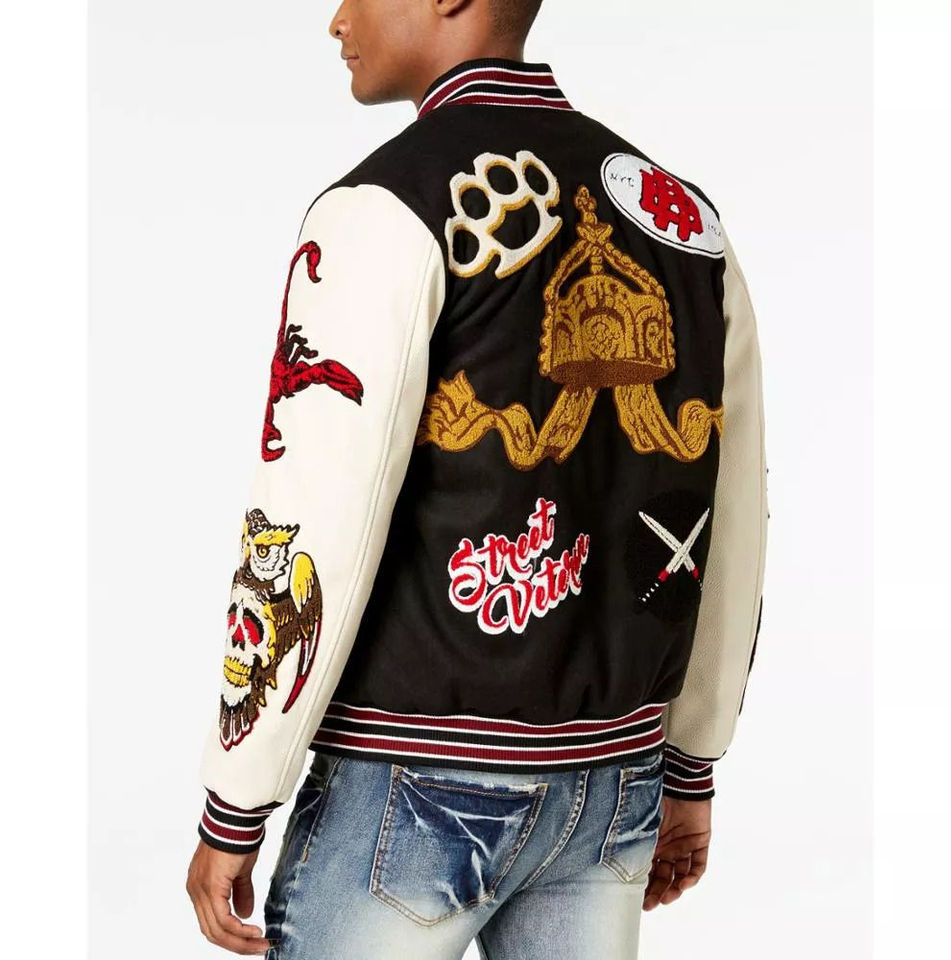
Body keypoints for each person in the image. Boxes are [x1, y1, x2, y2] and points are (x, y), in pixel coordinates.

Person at [185, 1, 770, 957]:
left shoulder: (386, 206)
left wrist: (238, 794)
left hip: (413, 775)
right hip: (614, 778)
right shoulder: (682, 223)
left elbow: (314, 512)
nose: (337, 18)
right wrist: (692, 761)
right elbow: (729, 511)